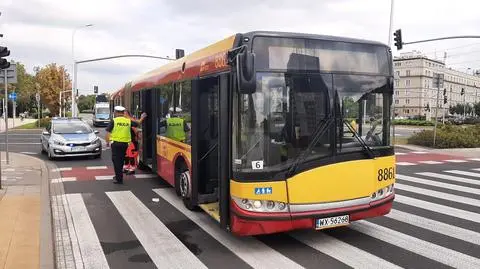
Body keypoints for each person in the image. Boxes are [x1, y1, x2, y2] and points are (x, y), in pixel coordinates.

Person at [105, 106, 146, 184]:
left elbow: (108, 133)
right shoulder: (128, 121)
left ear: (116, 112)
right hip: (125, 145)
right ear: (123, 112)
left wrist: (107, 143)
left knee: (116, 161)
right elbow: (138, 123)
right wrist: (142, 118)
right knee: (121, 160)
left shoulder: (114, 121)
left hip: (116, 144)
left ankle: (119, 178)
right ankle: (118, 175)